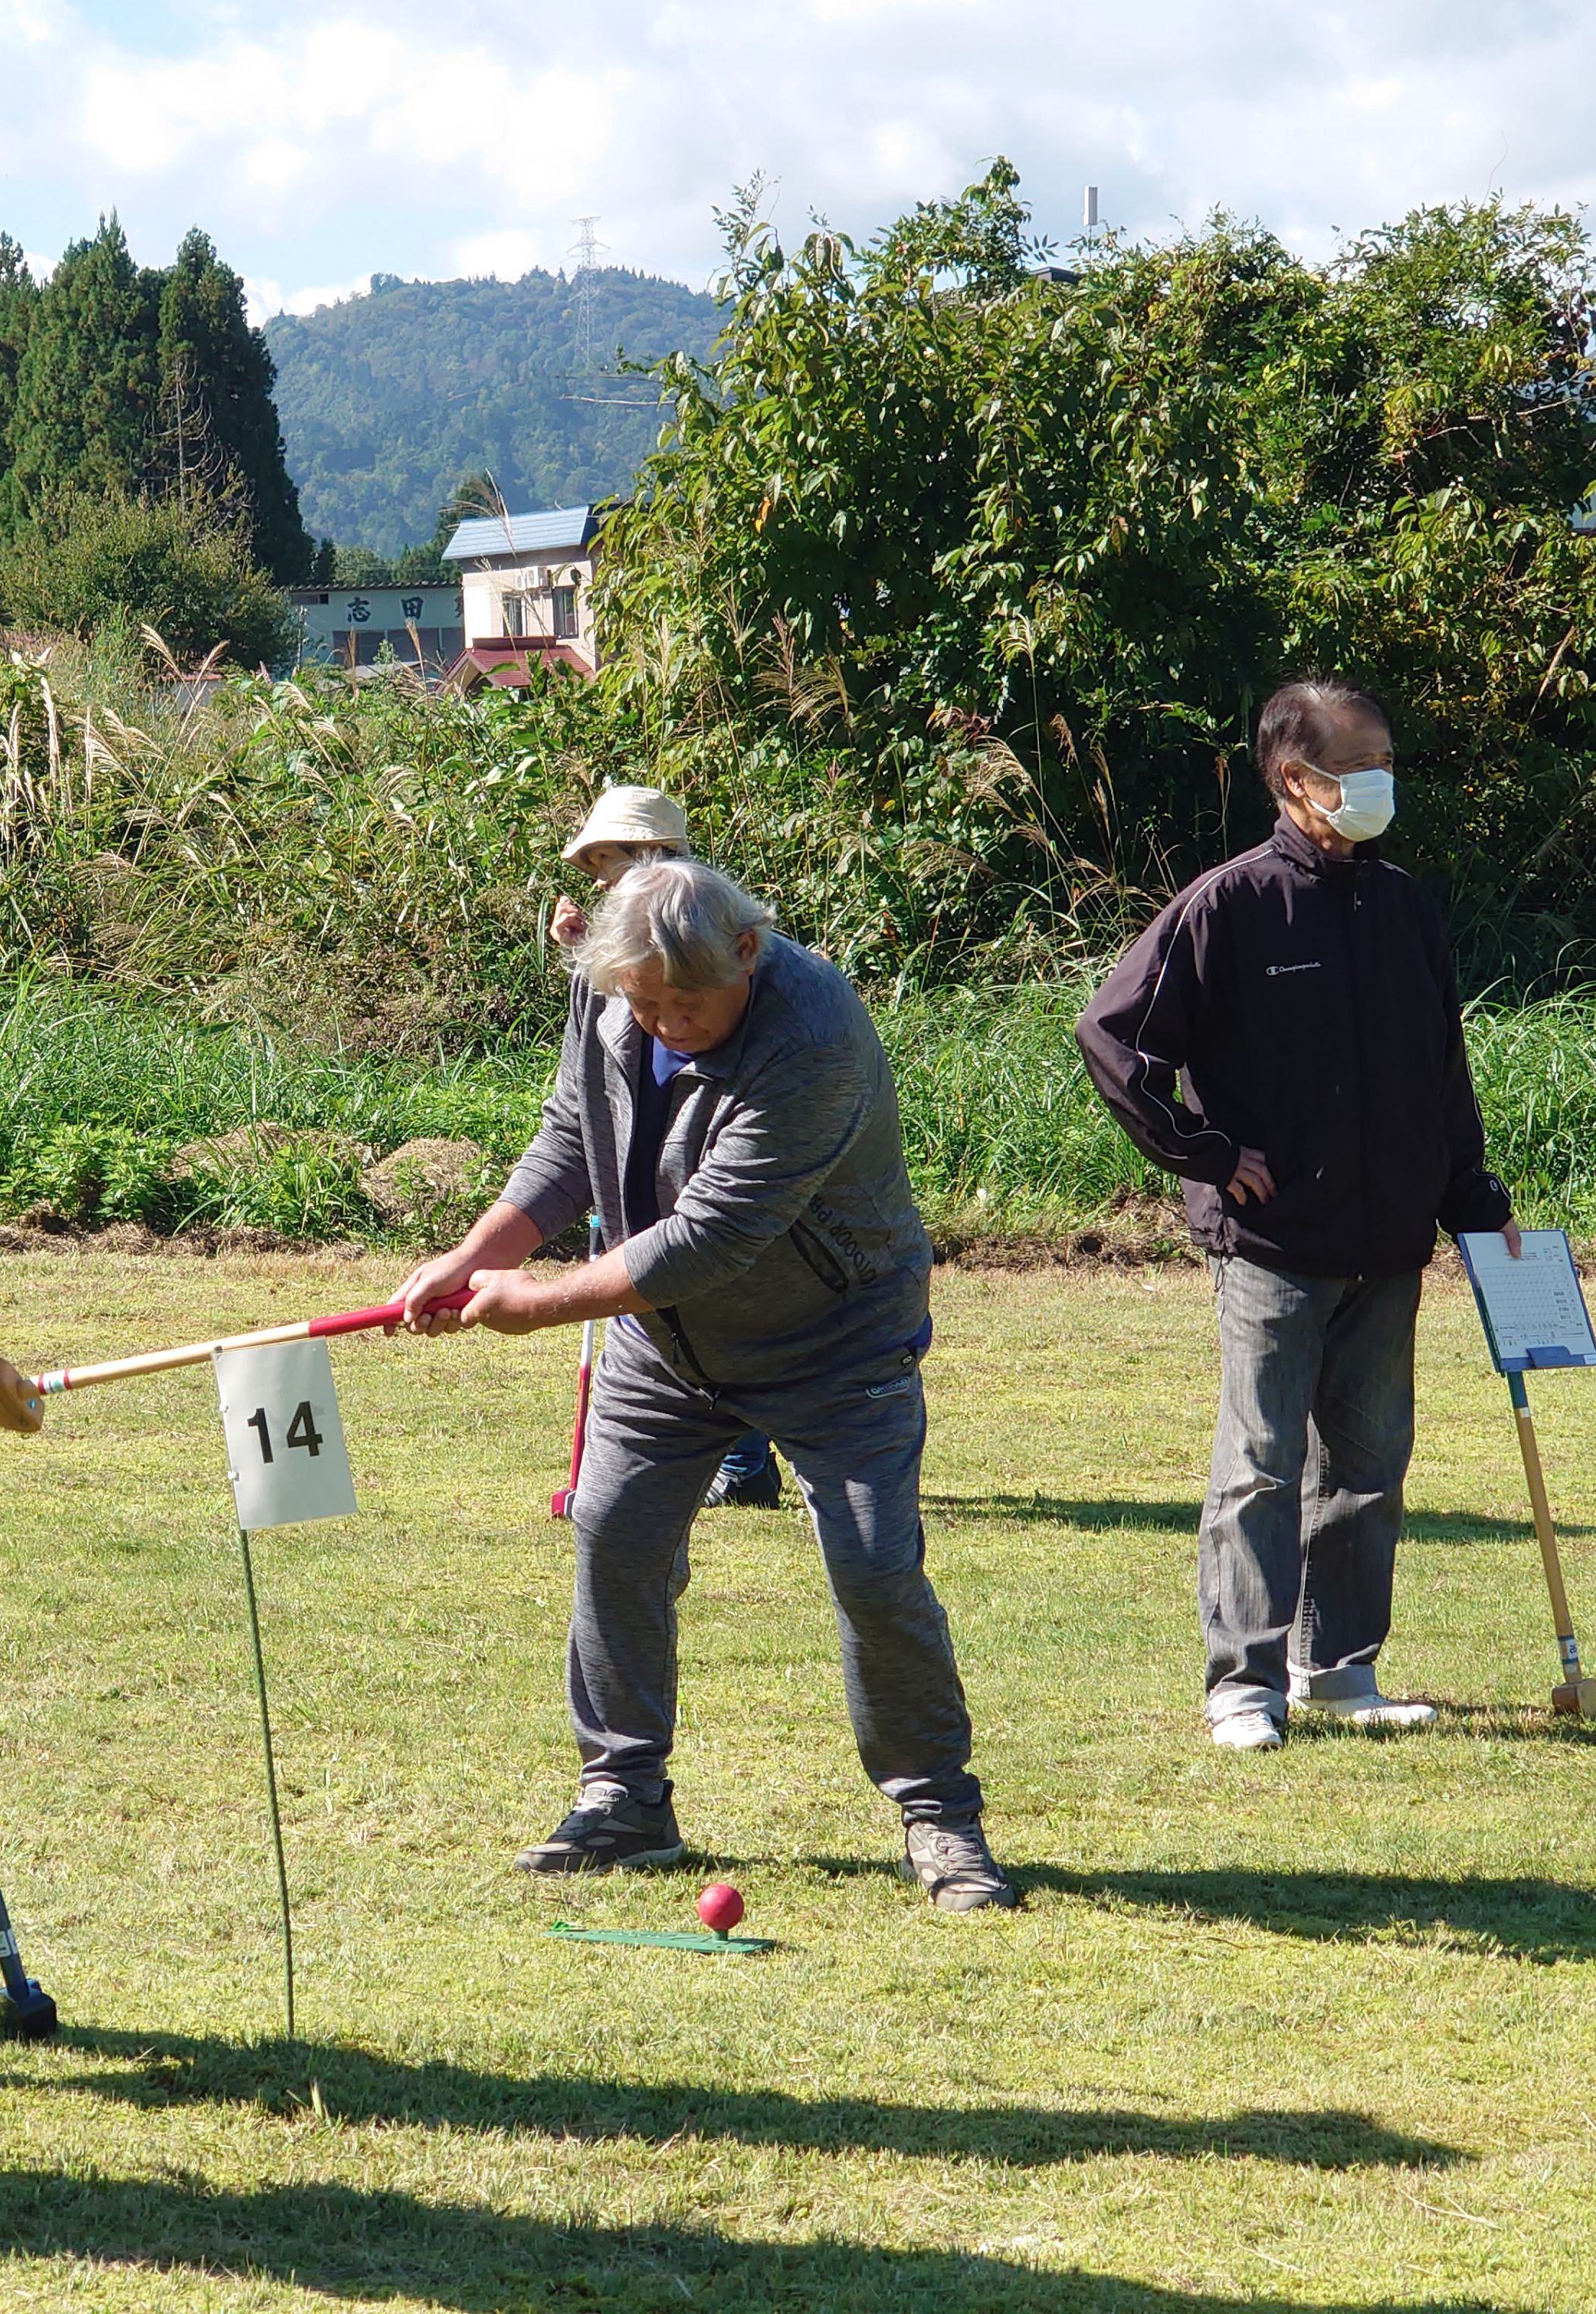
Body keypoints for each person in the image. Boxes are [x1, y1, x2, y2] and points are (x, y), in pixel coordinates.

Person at [399, 857, 1015, 1909]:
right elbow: (569, 1137)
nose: (663, 1021)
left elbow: (709, 1240)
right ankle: (625, 1798)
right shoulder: (616, 997)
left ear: (748, 950)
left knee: (873, 1570)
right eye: (641, 1003)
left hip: (835, 1344)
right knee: (615, 1531)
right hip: (667, 1348)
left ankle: (940, 1817)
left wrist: (532, 1301)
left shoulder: (816, 1037)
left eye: (685, 1001)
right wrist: (477, 1249)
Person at [1076, 678, 1522, 1752]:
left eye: (1386, 763)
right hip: (1273, 1248)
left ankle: (1341, 1669)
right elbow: (1114, 1040)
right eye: (1359, 765)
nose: (1380, 784)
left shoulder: (1407, 904)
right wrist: (1209, 1155)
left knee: (1369, 1465)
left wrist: (1473, 1201)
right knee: (1263, 1464)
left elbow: (1439, 1068)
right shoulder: (1226, 905)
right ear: (1295, 779)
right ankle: (1245, 1684)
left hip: (1391, 1241)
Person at [546, 788, 782, 1513]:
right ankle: (711, 1464)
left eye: (614, 865)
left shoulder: (714, 947)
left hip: (713, 1185)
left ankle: (744, 1466)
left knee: (707, 1307)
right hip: (643, 1182)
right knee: (653, 1316)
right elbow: (583, 1095)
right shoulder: (619, 956)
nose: (603, 884)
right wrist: (584, 953)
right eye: (597, 871)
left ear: (660, 860)